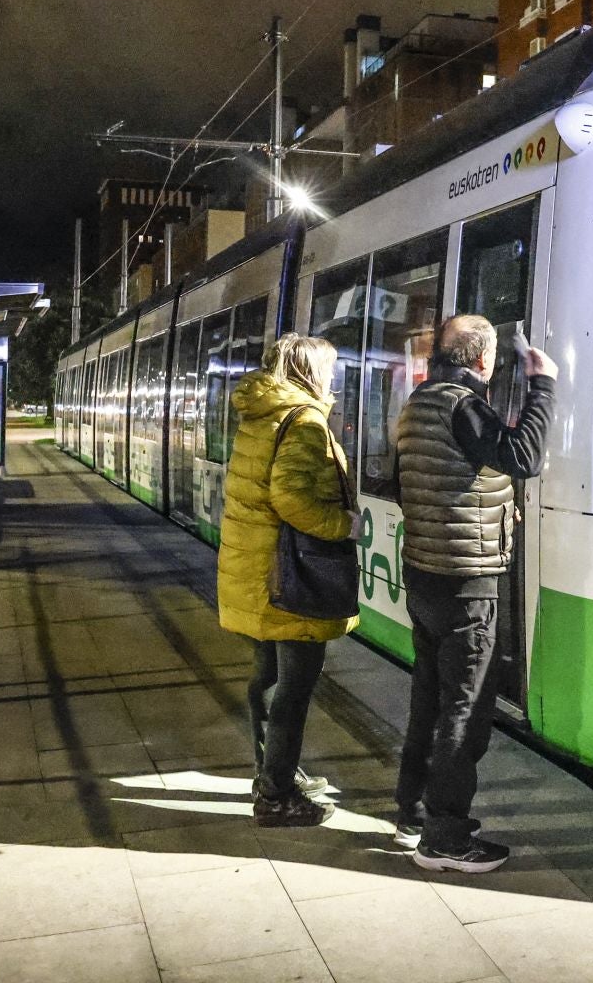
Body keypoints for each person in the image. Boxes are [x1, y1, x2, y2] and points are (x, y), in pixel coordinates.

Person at [394, 314, 557, 874]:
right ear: (484, 359)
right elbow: (525, 457)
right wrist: (544, 385)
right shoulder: (464, 406)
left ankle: (413, 809)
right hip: (467, 581)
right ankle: (446, 838)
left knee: (430, 700)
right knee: (465, 709)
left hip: (425, 574)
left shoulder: (420, 402)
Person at [217, 333, 360, 828]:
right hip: (290, 580)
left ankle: (271, 774)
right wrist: (346, 525)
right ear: (311, 372)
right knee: (293, 690)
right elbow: (291, 500)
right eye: (330, 369)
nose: (334, 380)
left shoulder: (261, 415)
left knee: (267, 679)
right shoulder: (304, 422)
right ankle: (277, 797)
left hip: (259, 572)